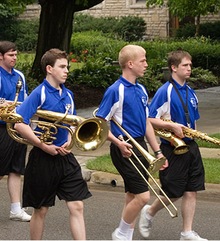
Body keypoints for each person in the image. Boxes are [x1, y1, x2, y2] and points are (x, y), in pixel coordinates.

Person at [14, 48, 92, 240]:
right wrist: (42, 145)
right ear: (49, 68)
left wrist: (69, 138)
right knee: (41, 211)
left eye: (68, 66)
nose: (67, 70)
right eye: (63, 67)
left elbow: (72, 123)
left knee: (77, 205)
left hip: (64, 158)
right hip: (42, 158)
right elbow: (19, 124)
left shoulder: (69, 95)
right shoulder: (38, 93)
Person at [96, 44, 167, 240]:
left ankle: (126, 236)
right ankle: (120, 233)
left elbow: (145, 123)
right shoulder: (115, 90)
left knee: (131, 195)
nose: (146, 64)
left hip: (139, 145)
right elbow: (100, 124)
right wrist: (117, 143)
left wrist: (157, 151)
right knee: (143, 197)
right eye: (142, 61)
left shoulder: (142, 89)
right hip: (123, 146)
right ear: (130, 64)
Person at [139, 49, 207, 240]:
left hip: (190, 146)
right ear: (174, 67)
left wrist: (195, 134)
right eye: (185, 65)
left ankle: (186, 232)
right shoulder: (165, 91)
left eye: (190, 65)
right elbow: (150, 119)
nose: (189, 68)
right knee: (173, 193)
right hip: (172, 147)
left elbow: (193, 119)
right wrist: (172, 125)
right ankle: (149, 212)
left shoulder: (191, 91)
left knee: (192, 190)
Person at [0, 41, 31, 222]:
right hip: (1, 127)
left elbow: (25, 100)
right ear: (1, 56)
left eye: (16, 54)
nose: (15, 58)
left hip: (17, 127)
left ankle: (16, 210)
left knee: (16, 170)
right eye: (11, 55)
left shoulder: (20, 76)